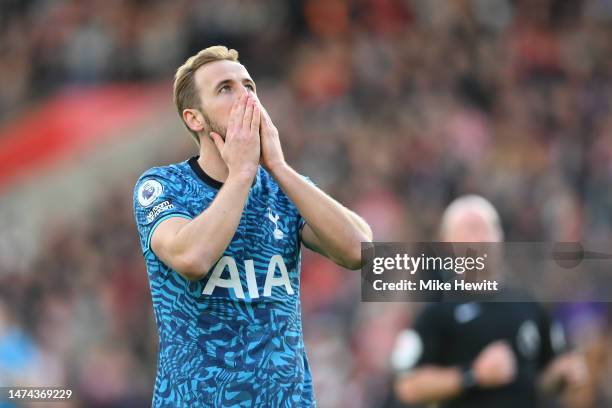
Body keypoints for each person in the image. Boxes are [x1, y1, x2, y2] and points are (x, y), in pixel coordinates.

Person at [132, 46, 372, 407]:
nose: (246, 97)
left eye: (249, 86)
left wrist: (280, 168)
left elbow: (361, 252)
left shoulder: (283, 186)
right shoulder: (164, 186)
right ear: (195, 118)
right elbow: (192, 258)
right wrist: (243, 173)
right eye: (226, 88)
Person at [390, 195, 587, 408]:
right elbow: (407, 386)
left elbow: (541, 380)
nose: (480, 238)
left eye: (486, 228)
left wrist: (563, 374)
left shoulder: (528, 304)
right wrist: (473, 375)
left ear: (500, 236)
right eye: (469, 229)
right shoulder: (437, 310)